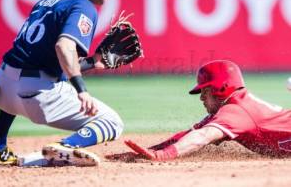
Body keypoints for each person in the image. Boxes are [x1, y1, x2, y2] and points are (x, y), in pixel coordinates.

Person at [0, 0, 128, 166]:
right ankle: (67, 146)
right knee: (113, 122)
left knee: (19, 76)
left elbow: (43, 57)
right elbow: (63, 47)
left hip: (0, 88)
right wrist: (81, 90)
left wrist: (92, 62)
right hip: (36, 97)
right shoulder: (84, 6)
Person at [125, 60, 291, 160]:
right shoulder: (233, 105)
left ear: (221, 88)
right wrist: (151, 151)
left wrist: (163, 155)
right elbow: (189, 135)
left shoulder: (235, 111)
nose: (202, 98)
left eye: (205, 91)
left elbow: (203, 137)